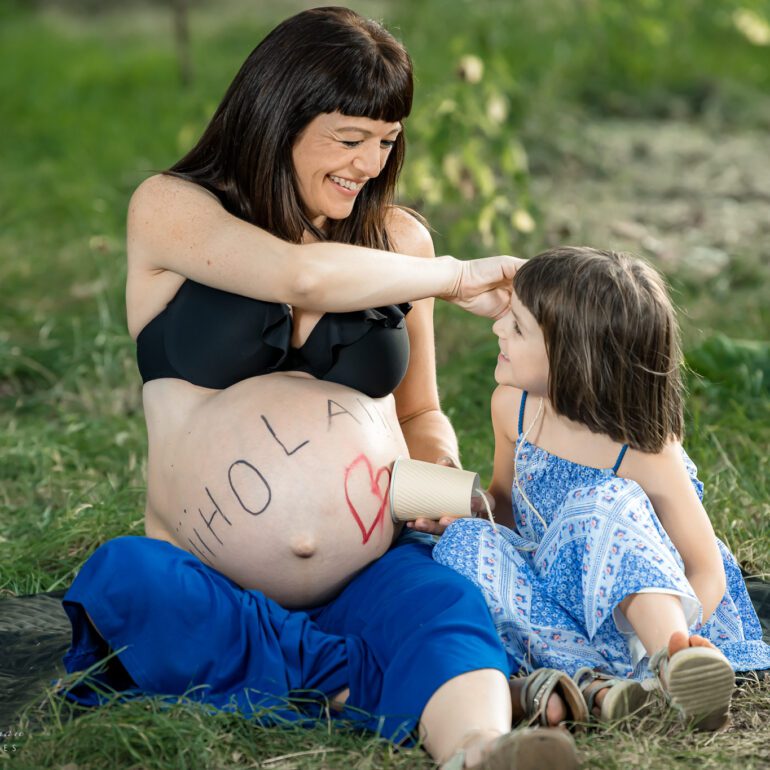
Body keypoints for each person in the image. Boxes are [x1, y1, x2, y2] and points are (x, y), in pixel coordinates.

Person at [60, 8, 579, 769]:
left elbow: (421, 412)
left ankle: (477, 750)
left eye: (387, 142)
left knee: (445, 605)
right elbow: (299, 276)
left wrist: (438, 482)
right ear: (278, 117)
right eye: (348, 139)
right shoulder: (173, 210)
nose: (369, 164)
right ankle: (366, 679)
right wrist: (454, 278)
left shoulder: (399, 242)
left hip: (366, 570)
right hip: (207, 579)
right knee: (125, 580)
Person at [434, 246, 770, 731]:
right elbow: (506, 505)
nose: (497, 328)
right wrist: (474, 508)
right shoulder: (513, 407)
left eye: (519, 327)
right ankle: (606, 685)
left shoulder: (645, 453)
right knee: (462, 543)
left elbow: (705, 572)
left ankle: (673, 664)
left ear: (574, 358)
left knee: (601, 504)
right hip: (557, 607)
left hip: (646, 615)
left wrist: (672, 633)